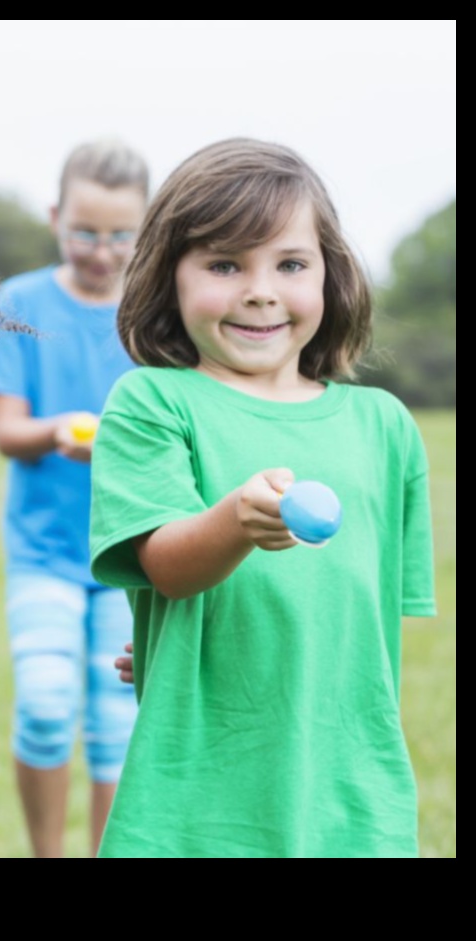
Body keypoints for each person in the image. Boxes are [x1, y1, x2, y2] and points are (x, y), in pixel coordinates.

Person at [89, 138, 436, 857]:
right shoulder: (153, 402)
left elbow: (360, 623)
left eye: (290, 264)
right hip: (199, 801)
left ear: (329, 275)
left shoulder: (385, 427)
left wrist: (185, 637)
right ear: (169, 276)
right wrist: (234, 524)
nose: (260, 289)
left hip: (349, 794)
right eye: (224, 264)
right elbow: (168, 565)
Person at [0, 139, 148, 857]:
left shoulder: (153, 310)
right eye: (85, 231)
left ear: (145, 228)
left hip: (128, 551)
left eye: (119, 234)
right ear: (55, 217)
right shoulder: (20, 302)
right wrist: (65, 433)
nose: (101, 250)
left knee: (116, 723)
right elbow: (8, 431)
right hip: (45, 552)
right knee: (45, 706)